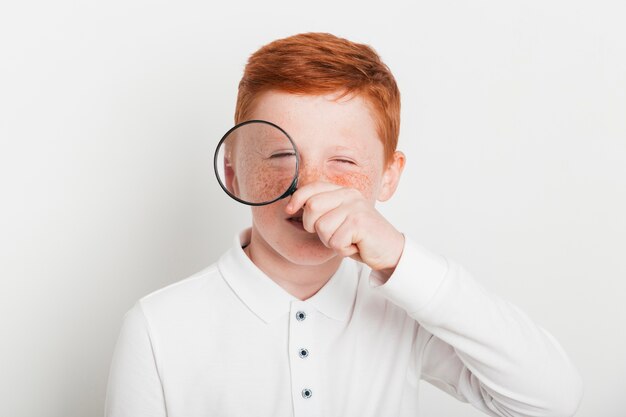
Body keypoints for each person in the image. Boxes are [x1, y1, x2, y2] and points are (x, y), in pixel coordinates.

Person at [104, 32, 583, 417]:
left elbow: (551, 400)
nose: (310, 188)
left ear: (389, 176)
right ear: (233, 170)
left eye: (344, 161)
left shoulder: (405, 312)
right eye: (279, 156)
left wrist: (399, 257)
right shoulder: (158, 327)